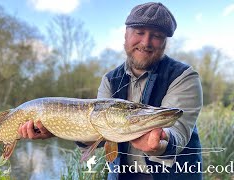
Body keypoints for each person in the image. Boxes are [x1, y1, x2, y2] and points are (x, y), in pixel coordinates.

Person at [18, 2, 203, 180]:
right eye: (139, 32)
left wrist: (162, 143)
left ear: (165, 42)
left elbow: (178, 132)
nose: (146, 42)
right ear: (126, 35)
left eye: (156, 36)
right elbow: (98, 131)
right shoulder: (110, 79)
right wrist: (55, 129)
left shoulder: (183, 76)